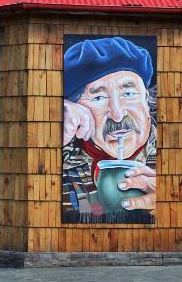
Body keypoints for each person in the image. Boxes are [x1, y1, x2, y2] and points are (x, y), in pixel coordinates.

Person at [62, 36, 156, 223]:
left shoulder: (177, 154)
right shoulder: (62, 158)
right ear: (75, 109)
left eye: (128, 93)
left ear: (146, 99)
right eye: (98, 98)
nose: (117, 115)